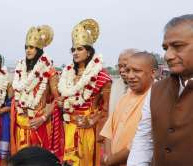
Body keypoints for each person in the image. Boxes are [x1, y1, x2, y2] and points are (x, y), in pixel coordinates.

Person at [127, 14, 193, 166]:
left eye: (178, 46)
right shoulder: (157, 90)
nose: (168, 55)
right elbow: (144, 140)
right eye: (165, 48)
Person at [58, 19, 112, 166]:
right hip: (69, 127)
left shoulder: (101, 76)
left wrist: (92, 121)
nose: (75, 52)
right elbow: (65, 99)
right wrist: (61, 103)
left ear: (89, 51)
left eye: (80, 49)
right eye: (73, 50)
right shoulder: (68, 74)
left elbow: (105, 108)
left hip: (87, 129)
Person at [10, 25, 63, 159]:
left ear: (39, 49)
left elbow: (58, 100)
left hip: (39, 125)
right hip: (20, 124)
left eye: (32, 47)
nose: (28, 50)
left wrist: (43, 118)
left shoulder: (49, 71)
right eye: (26, 47)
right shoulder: (20, 70)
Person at [101, 52, 156, 166]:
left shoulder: (156, 98)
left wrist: (112, 160)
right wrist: (107, 156)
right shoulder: (125, 96)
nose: (130, 76)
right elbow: (108, 131)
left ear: (153, 73)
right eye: (128, 70)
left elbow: (144, 141)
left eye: (136, 71)